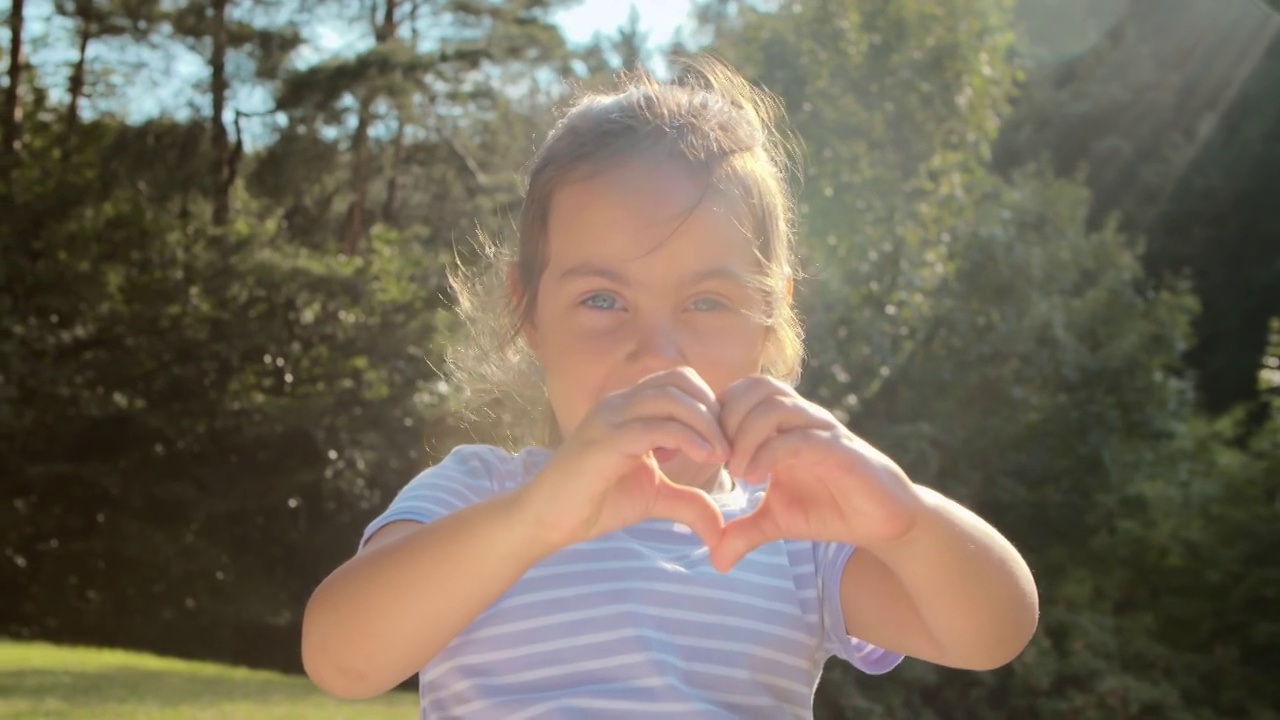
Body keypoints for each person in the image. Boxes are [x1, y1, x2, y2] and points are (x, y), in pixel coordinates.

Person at [300, 56, 1039, 718]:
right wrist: (531, 522)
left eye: (707, 303)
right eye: (602, 300)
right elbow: (341, 659)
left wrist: (902, 517)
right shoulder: (478, 498)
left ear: (769, 315)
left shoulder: (789, 527)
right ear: (529, 310)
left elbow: (992, 632)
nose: (656, 354)